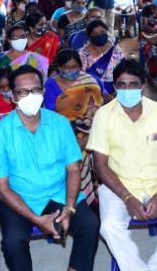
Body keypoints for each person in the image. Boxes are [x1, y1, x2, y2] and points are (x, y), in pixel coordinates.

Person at [0, 65, 100, 271]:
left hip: (58, 191)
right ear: (13, 96)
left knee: (90, 225)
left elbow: (73, 170)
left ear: (43, 91)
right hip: (19, 195)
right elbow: (1, 188)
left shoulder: (60, 124)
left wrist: (69, 208)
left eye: (35, 90)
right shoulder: (0, 133)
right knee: (13, 243)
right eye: (22, 92)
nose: (30, 96)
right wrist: (37, 220)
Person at [87, 59, 157, 271]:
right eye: (122, 85)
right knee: (109, 227)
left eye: (133, 84)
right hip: (118, 187)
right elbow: (100, 166)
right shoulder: (103, 116)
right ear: (114, 87)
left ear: (143, 86)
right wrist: (127, 197)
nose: (127, 90)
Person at [44, 49, 105, 203]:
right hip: (62, 132)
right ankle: (72, 197)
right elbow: (51, 116)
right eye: (67, 67)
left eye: (74, 67)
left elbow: (99, 111)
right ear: (59, 68)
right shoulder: (51, 85)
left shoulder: (91, 82)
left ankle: (92, 198)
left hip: (92, 131)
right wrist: (72, 136)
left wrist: (88, 135)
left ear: (80, 66)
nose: (71, 70)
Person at [80, 20, 126, 95]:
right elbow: (81, 79)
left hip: (115, 91)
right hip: (92, 93)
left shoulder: (115, 50)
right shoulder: (83, 54)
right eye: (95, 34)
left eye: (102, 32)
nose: (100, 35)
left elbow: (125, 71)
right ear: (89, 36)